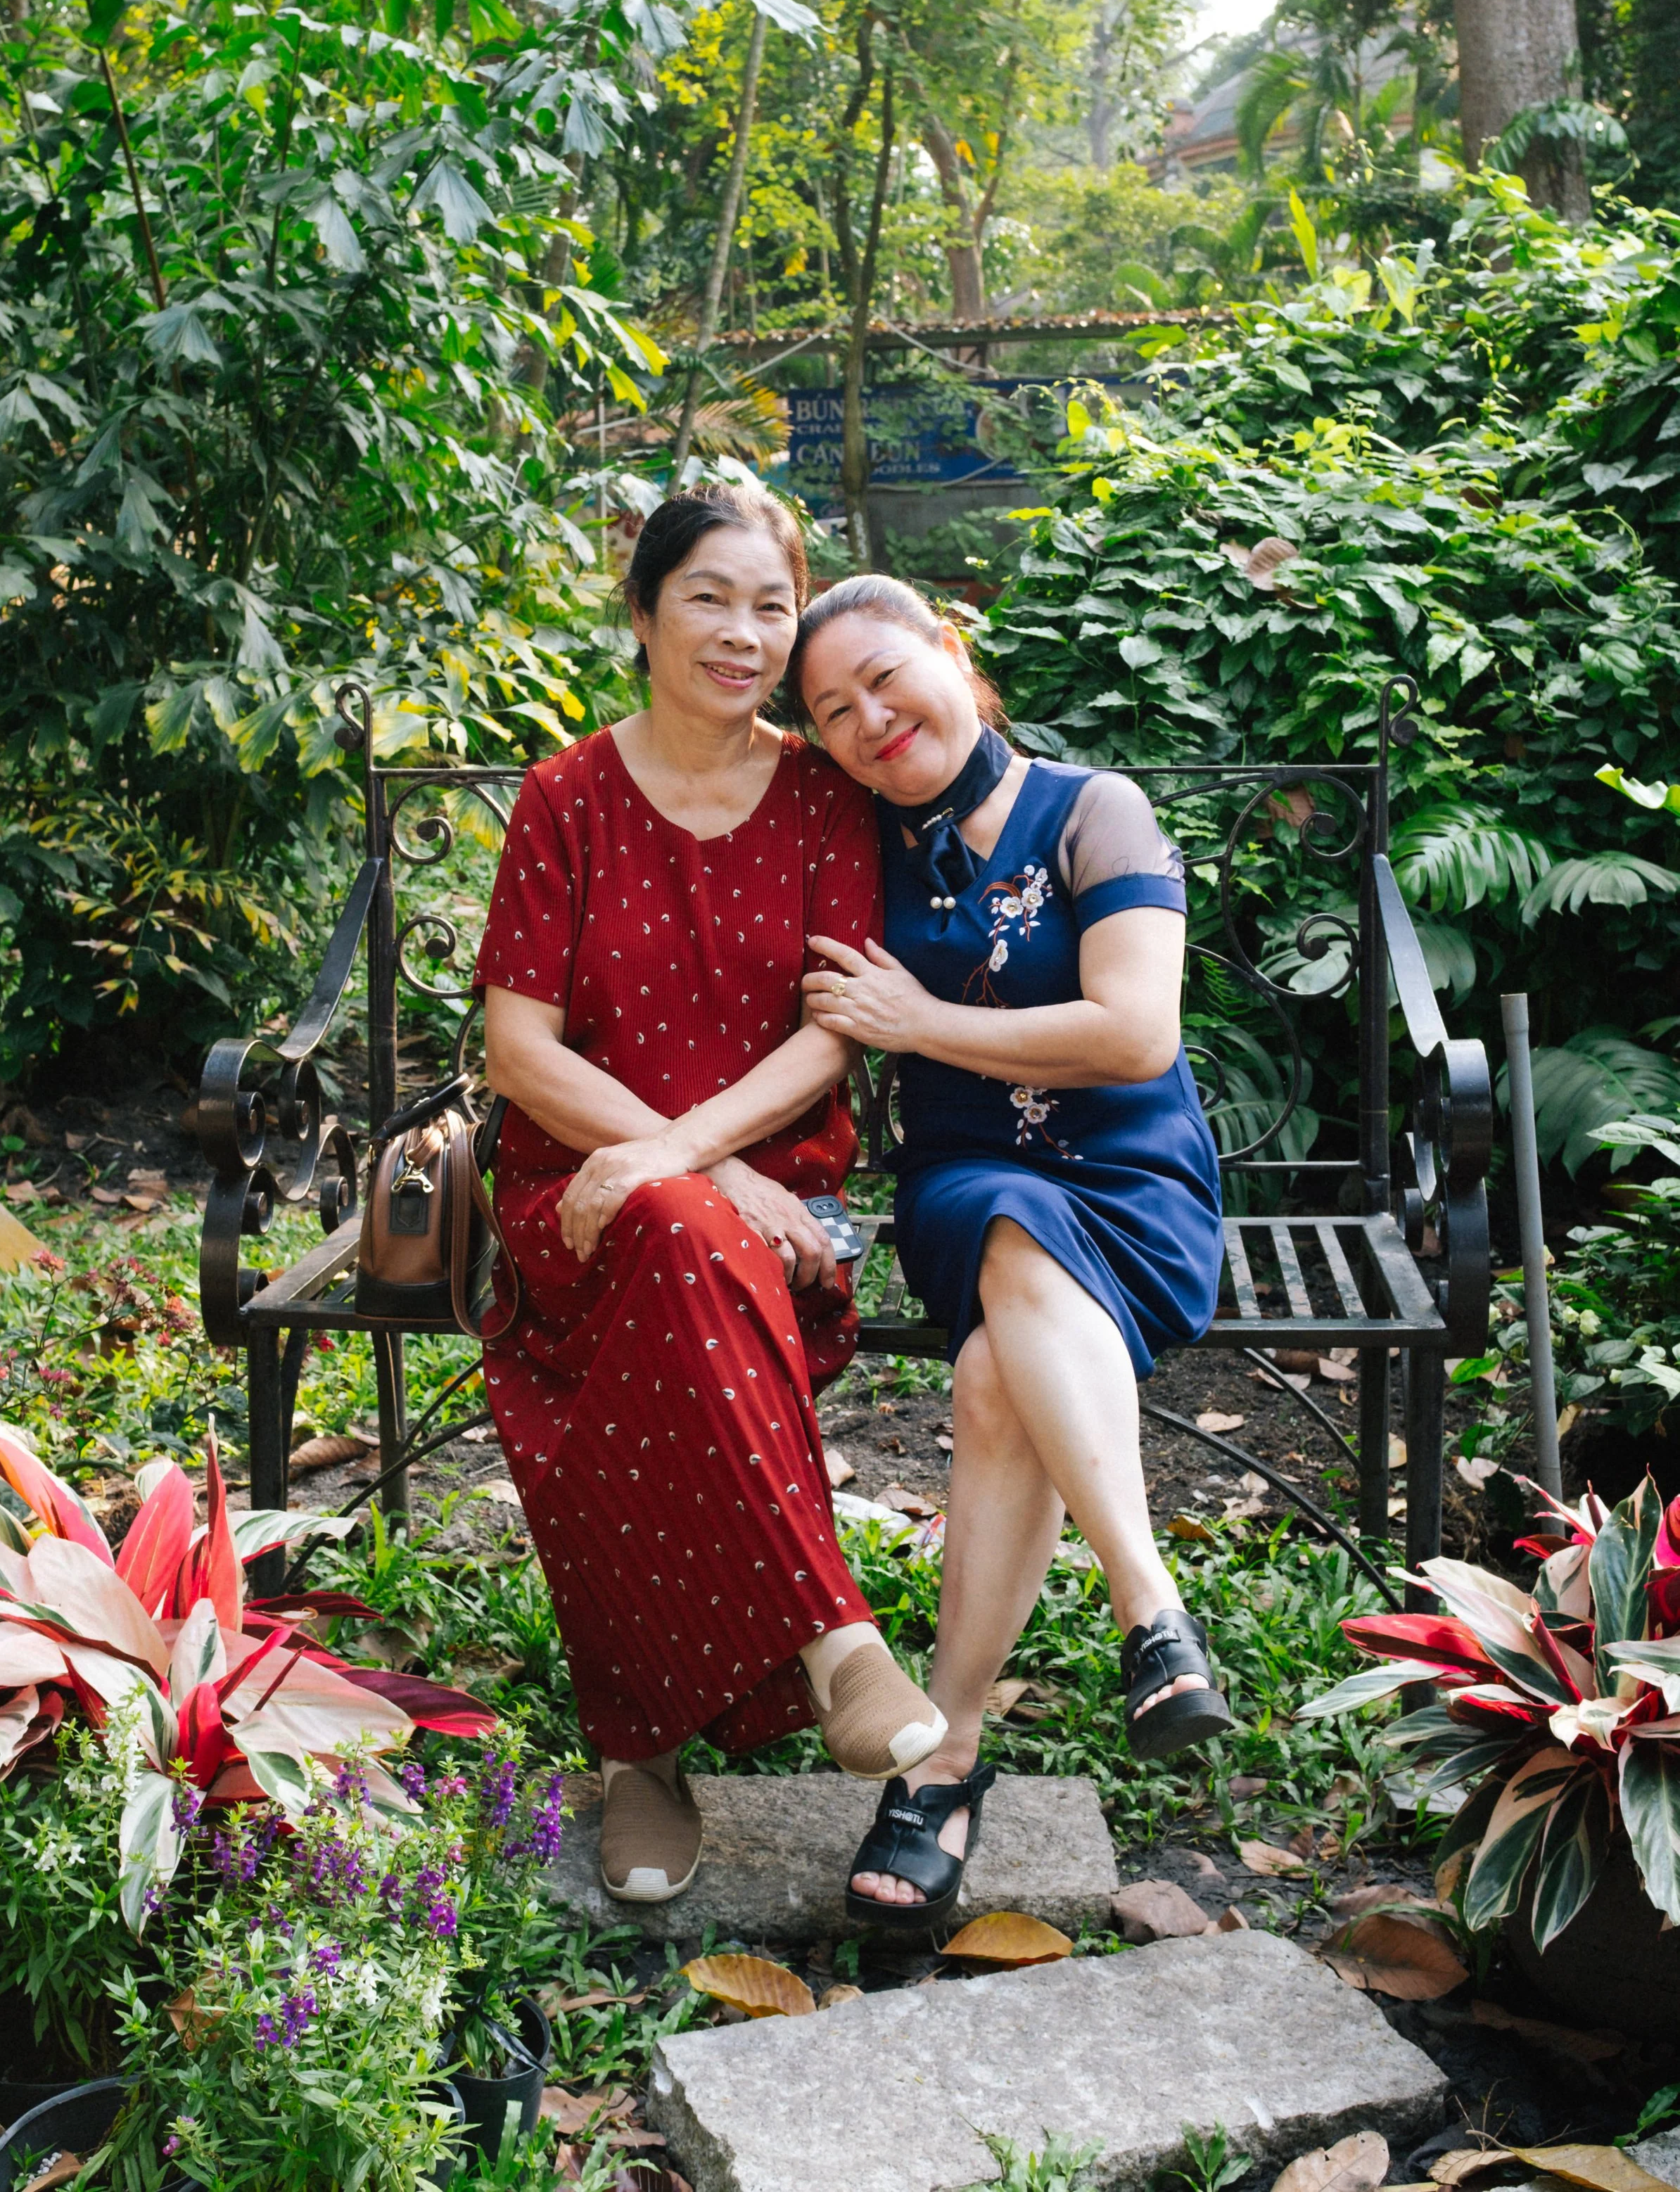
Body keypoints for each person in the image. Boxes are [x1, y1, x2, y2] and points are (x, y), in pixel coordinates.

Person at [472, 490, 946, 1909]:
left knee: (683, 1245)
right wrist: (697, 1160)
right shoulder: (566, 800)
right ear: (641, 614)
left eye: (766, 607)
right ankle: (834, 1645)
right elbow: (517, 1050)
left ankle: (639, 1757)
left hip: (782, 1208)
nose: (743, 635)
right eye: (707, 599)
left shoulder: (818, 793)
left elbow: (830, 1030)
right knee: (677, 1227)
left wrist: (700, 1167)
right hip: (580, 1190)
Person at [789, 573, 1231, 1933]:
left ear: (951, 652)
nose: (871, 719)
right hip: (966, 1185)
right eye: (832, 711)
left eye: (885, 677)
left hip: (1135, 1179)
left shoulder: (1094, 810)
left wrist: (918, 1022)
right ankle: (1148, 1615)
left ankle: (948, 1765)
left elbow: (1134, 1034)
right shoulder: (849, 838)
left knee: (993, 1385)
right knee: (1005, 1225)